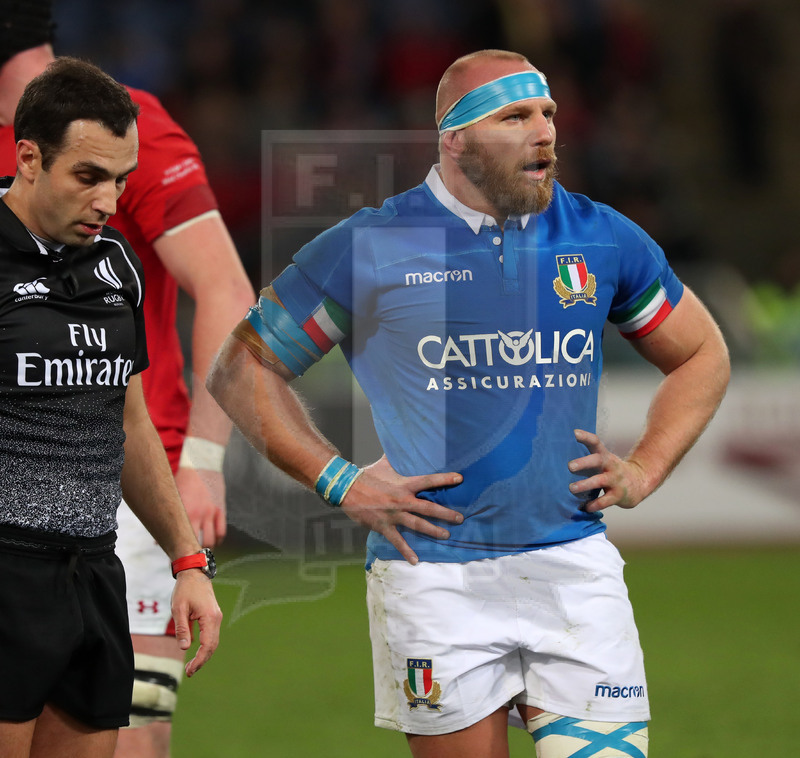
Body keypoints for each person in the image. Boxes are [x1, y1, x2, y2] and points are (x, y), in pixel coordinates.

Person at [207, 49, 730, 758]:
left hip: (575, 568)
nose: (544, 131)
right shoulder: (374, 244)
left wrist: (645, 468)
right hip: (435, 579)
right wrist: (342, 481)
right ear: (455, 138)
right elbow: (242, 370)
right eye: (515, 116)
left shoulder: (598, 235)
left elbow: (701, 354)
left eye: (547, 113)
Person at [0, 4, 254, 756]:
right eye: (91, 179)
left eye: (119, 182)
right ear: (28, 160)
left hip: (112, 535)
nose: (108, 202)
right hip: (13, 552)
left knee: (135, 743)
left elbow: (133, 414)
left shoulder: (115, 250)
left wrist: (192, 521)